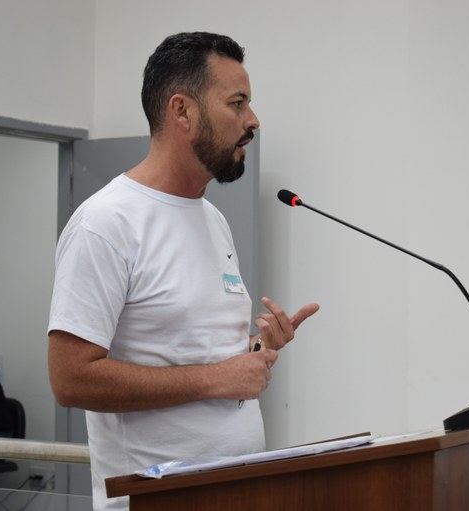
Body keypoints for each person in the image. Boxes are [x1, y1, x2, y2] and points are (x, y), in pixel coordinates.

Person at [47, 32, 319, 511]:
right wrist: (216, 379)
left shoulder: (212, 219)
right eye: (237, 103)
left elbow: (196, 355)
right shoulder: (105, 223)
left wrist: (257, 351)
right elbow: (70, 379)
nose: (253, 120)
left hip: (235, 496)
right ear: (182, 111)